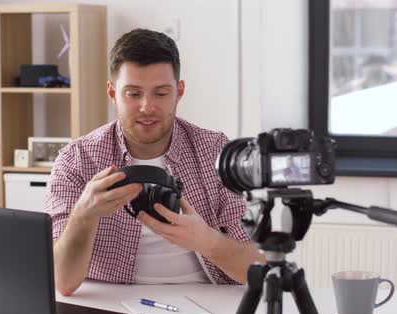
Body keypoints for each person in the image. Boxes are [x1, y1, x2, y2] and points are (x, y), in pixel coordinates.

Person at [45, 28, 265, 296]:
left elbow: (258, 268)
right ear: (112, 93)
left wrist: (208, 241)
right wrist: (83, 214)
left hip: (208, 302)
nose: (147, 107)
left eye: (160, 93)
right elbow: (62, 282)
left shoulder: (216, 151)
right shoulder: (76, 159)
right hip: (110, 302)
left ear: (179, 92)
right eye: (133, 94)